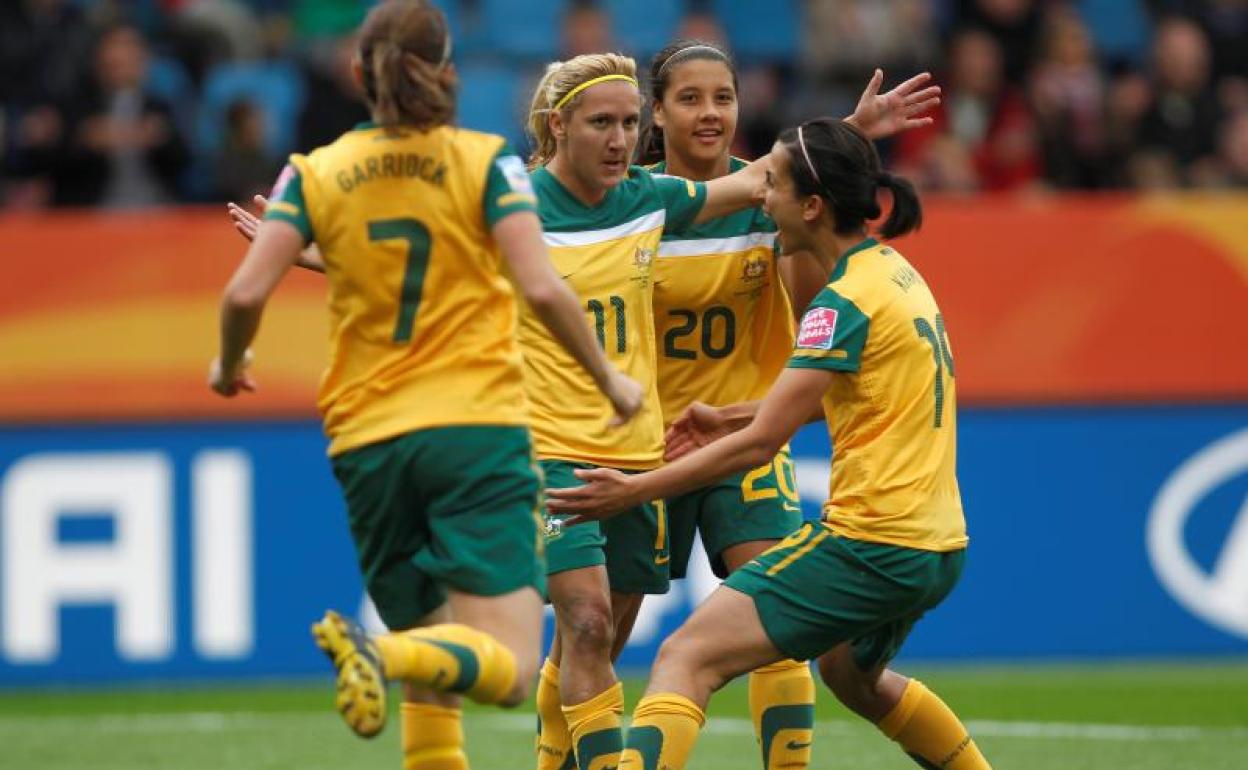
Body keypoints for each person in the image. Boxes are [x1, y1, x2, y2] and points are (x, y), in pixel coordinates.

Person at [209, 4, 643, 770]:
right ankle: (386, 656)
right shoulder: (488, 163)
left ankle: (396, 654)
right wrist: (609, 378)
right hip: (475, 431)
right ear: (448, 73)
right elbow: (540, 288)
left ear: (356, 75)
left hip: (366, 438)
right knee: (504, 668)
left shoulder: (315, 171)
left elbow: (245, 294)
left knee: (430, 672)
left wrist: (228, 364)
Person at [523, 53, 940, 770]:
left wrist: (853, 132)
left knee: (777, 617)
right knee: (592, 631)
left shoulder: (770, 200)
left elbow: (808, 190)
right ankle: (556, 758)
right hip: (642, 446)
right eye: (689, 98)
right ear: (660, 114)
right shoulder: (633, 203)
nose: (710, 113)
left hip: (739, 437)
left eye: (724, 96)